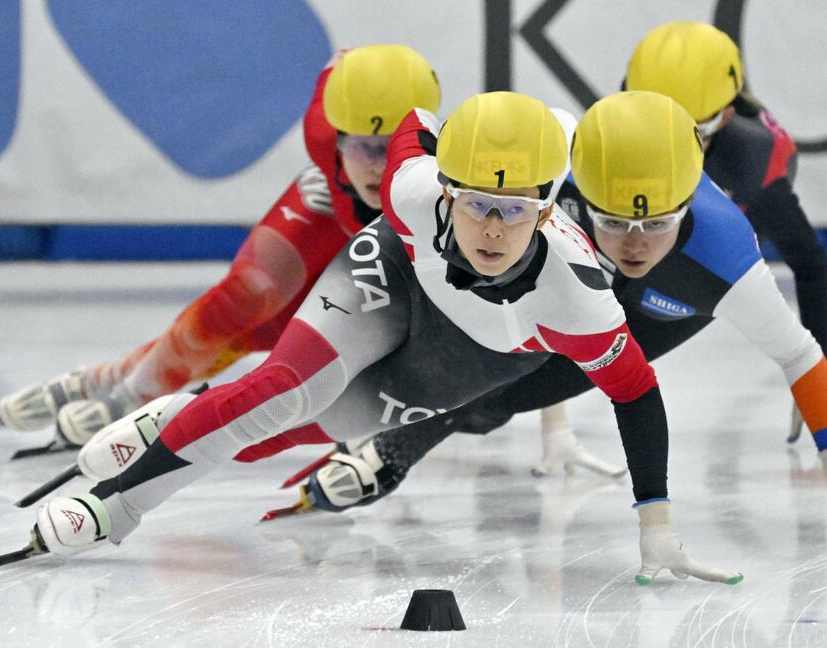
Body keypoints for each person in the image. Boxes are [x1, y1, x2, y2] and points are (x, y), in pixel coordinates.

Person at [0, 90, 741, 585]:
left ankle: (171, 419)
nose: (490, 228)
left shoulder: (579, 300)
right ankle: (116, 507)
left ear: (550, 208)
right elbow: (416, 118)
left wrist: (657, 523)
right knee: (285, 388)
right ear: (447, 189)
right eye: (477, 203)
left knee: (292, 431)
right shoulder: (413, 189)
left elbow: (638, 395)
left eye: (514, 211)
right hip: (393, 274)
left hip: (470, 355)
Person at [283, 90, 827, 534]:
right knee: (477, 359)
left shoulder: (728, 259)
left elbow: (802, 355)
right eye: (611, 221)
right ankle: (359, 439)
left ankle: (386, 454)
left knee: (497, 399)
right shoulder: (550, 160)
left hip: (662, 312)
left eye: (656, 224)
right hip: (566, 280)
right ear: (573, 192)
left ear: (688, 209)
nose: (632, 245)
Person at [0, 44, 442, 445]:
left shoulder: (436, 180)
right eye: (363, 147)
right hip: (326, 210)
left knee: (271, 335)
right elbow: (339, 69)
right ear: (336, 137)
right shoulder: (321, 130)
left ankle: (105, 378)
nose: (378, 167)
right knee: (247, 295)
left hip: (384, 240)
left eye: (392, 149)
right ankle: (125, 395)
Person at [624, 21, 827, 440]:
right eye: (663, 126)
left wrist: (815, 377)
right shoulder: (620, 129)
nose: (677, 144)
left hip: (693, 280)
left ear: (729, 114)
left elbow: (809, 263)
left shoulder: (756, 160)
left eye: (694, 130)